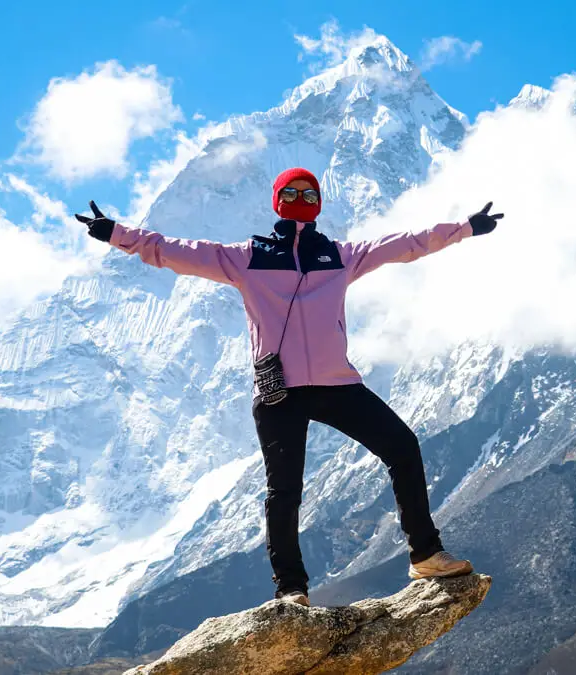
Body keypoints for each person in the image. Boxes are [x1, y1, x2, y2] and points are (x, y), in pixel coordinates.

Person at [75, 167, 503, 608]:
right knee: (285, 491)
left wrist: (465, 228)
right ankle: (291, 590)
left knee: (402, 446)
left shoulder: (341, 255)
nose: (301, 198)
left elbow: (405, 244)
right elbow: (174, 250)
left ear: (318, 203)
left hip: (337, 383)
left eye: (309, 192)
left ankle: (426, 554)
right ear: (277, 200)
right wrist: (117, 234)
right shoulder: (246, 257)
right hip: (279, 392)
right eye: (292, 191)